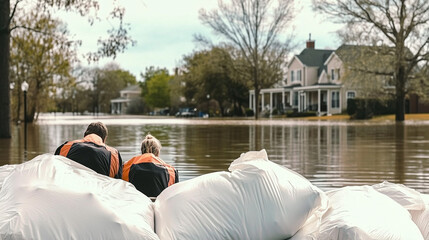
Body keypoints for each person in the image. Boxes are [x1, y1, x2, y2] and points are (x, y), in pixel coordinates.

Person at [54, 122, 123, 179]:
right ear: (104, 139)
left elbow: (54, 172)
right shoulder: (114, 155)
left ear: (85, 135)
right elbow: (117, 184)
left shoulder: (66, 147)